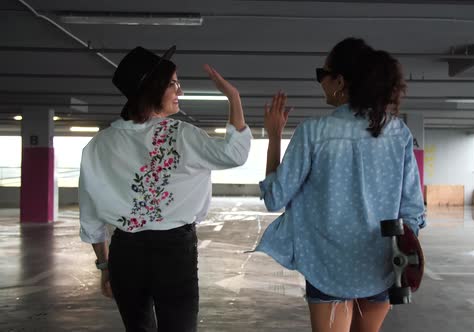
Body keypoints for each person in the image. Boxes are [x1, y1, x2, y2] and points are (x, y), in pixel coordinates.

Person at [257, 37, 426, 332]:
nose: (320, 82)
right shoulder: (397, 132)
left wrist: (274, 137)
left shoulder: (313, 133)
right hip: (381, 265)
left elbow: (274, 197)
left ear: (340, 81)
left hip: (327, 266)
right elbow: (412, 210)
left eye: (322, 74)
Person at [78, 45, 252, 332]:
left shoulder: (97, 145)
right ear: (153, 88)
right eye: (173, 83)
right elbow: (234, 154)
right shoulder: (182, 134)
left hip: (125, 253)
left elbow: (91, 216)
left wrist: (104, 266)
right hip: (174, 251)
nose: (179, 91)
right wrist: (233, 97)